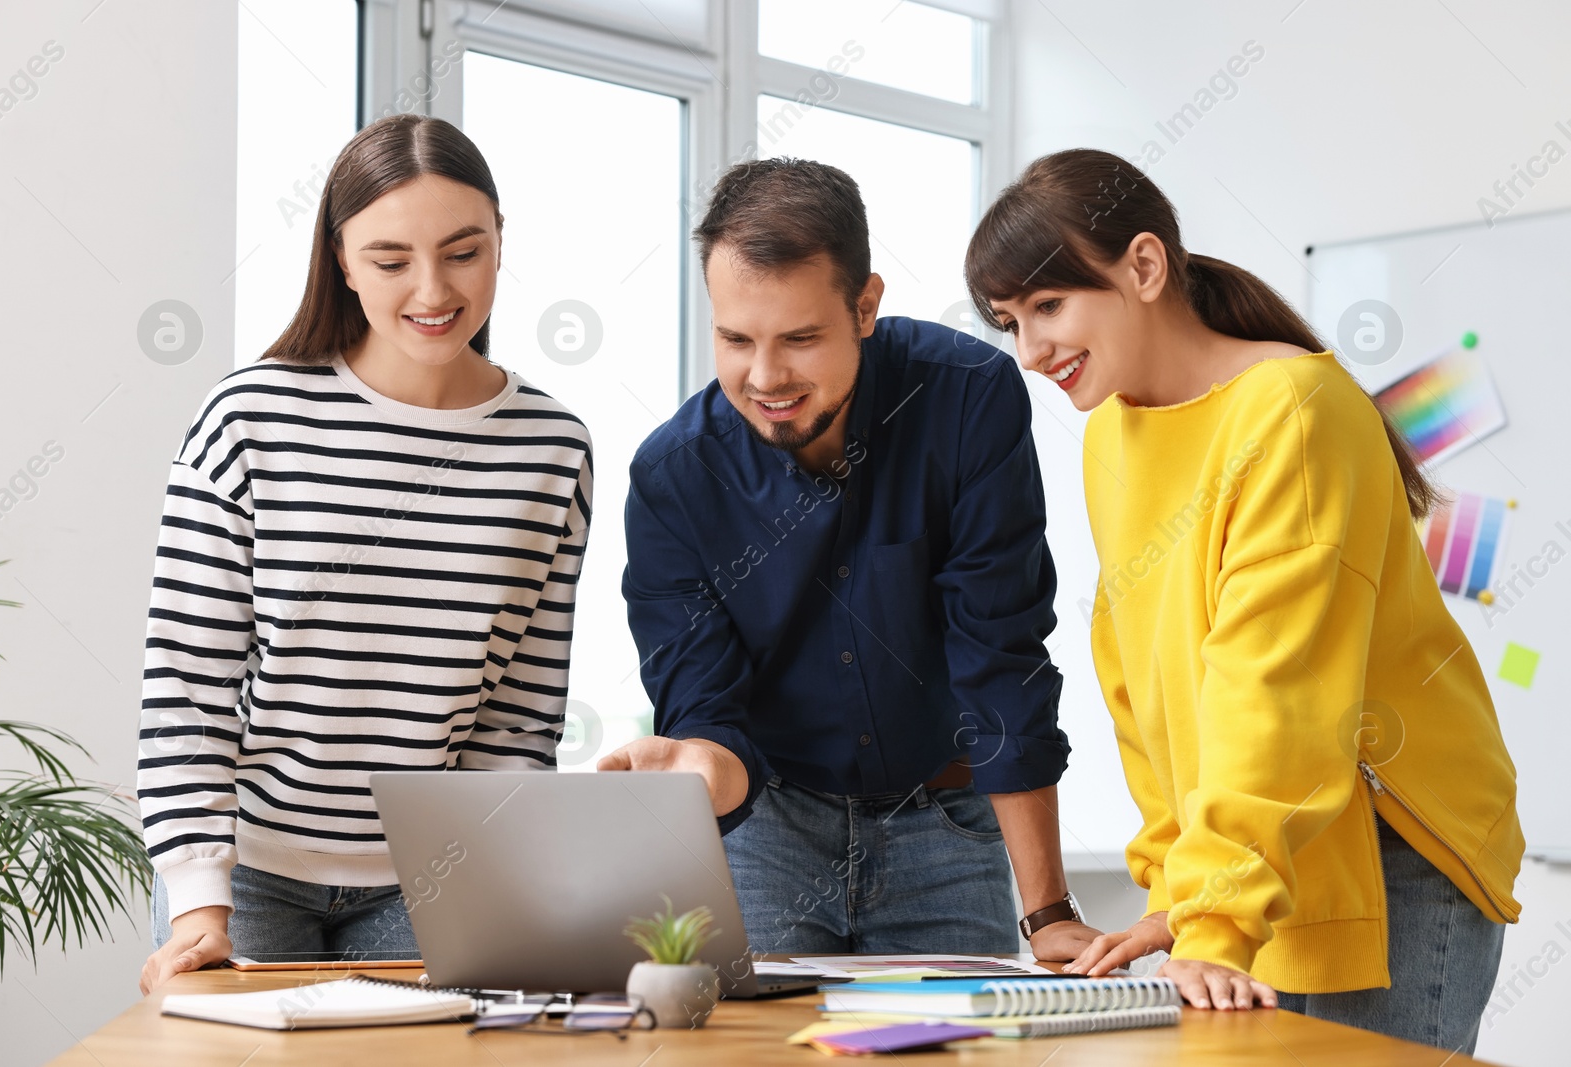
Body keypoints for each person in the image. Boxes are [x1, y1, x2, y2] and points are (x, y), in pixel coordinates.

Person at [965, 148, 1523, 1052]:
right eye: (1009, 322)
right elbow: (1140, 681)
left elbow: (1280, 686)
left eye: (1049, 307)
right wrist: (1179, 888)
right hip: (1258, 852)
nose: (1029, 353)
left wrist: (1214, 911)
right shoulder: (1115, 428)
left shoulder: (1295, 410)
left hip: (1387, 852)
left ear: (1144, 267)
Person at [597, 158, 1101, 960]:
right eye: (736, 339)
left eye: (800, 339)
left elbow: (999, 654)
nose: (766, 378)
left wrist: (1047, 912)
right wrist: (695, 763)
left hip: (944, 820)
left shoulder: (968, 397)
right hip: (769, 828)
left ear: (865, 306)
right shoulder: (673, 479)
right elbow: (707, 708)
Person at [136, 115, 593, 994]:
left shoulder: (551, 447)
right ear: (342, 261)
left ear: (502, 241)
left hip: (434, 877)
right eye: (390, 261)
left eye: (464, 252)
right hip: (247, 873)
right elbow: (186, 685)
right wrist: (200, 901)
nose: (432, 288)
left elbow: (520, 717)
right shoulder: (248, 419)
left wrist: (494, 897)